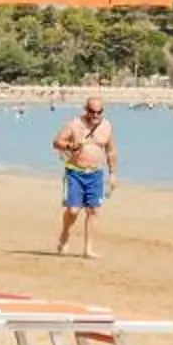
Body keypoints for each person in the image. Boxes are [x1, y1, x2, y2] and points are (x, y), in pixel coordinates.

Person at [52, 94, 115, 257]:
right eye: (92, 112)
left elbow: (111, 150)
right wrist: (71, 145)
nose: (95, 115)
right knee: (73, 210)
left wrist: (113, 174)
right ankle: (65, 234)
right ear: (86, 110)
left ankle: (88, 248)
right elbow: (57, 142)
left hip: (95, 173)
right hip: (75, 172)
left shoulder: (107, 126)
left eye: (99, 112)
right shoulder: (74, 124)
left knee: (93, 210)